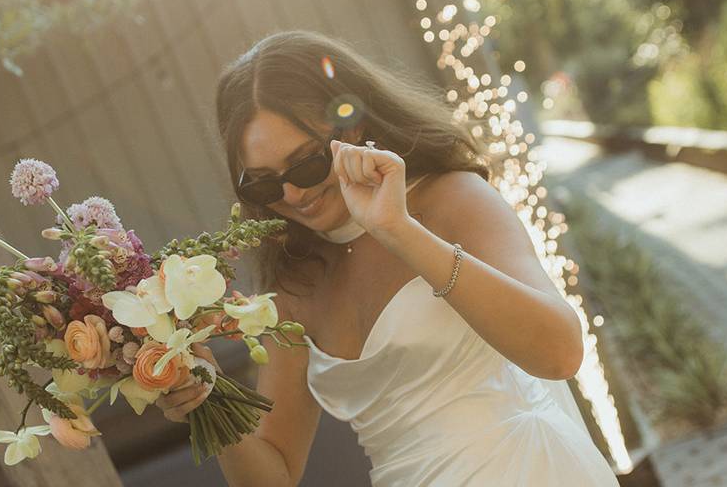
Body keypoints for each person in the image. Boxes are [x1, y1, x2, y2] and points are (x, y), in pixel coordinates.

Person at [157, 31, 619, 486]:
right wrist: (208, 398)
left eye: (306, 163)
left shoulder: (451, 199)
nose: (293, 193)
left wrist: (398, 230)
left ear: (353, 126)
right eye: (262, 183)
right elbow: (272, 477)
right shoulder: (293, 289)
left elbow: (560, 353)